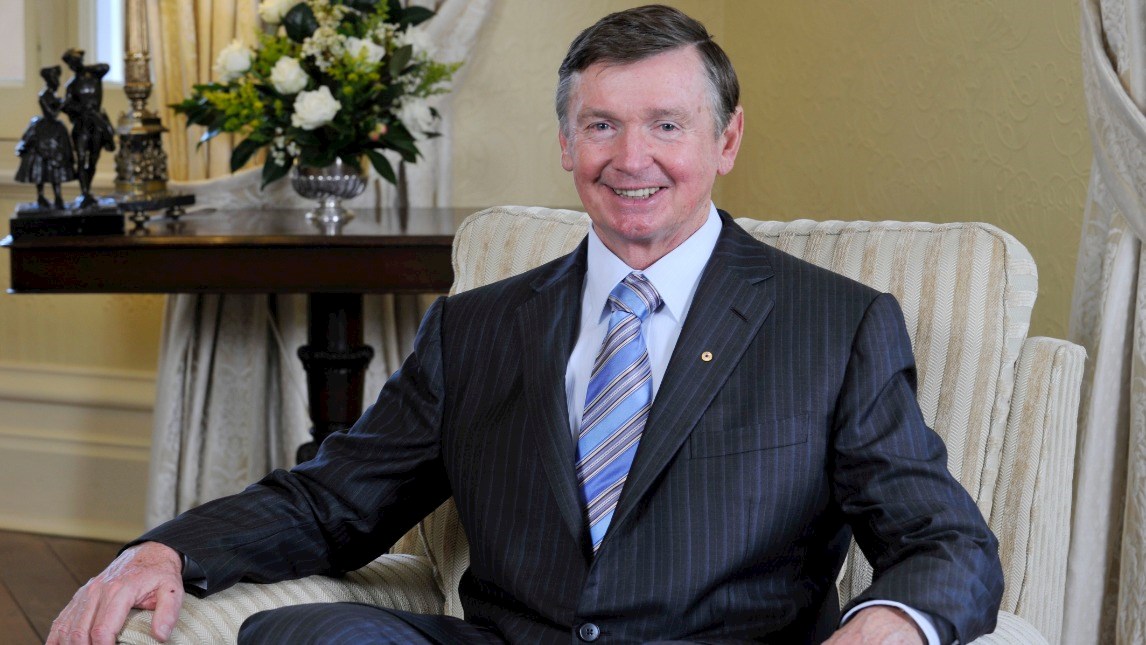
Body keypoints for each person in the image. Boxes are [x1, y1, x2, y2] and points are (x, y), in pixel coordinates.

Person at [49, 6, 1002, 644]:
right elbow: (333, 500)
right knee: (301, 633)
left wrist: (886, 624)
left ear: (727, 139)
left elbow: (946, 541)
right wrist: (164, 550)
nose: (632, 158)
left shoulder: (835, 325)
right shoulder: (479, 327)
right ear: (565, 143)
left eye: (667, 124)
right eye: (601, 125)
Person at [60, 48, 116, 209]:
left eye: (76, 61)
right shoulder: (72, 85)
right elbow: (66, 106)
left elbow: (105, 67)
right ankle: (84, 191)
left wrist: (84, 69)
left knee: (93, 158)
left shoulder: (94, 75)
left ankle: (87, 188)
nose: (74, 65)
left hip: (96, 122)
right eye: (72, 63)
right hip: (82, 124)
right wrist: (78, 109)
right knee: (81, 157)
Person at [15, 65, 76, 210]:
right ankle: (41, 196)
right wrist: (62, 104)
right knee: (41, 166)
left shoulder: (52, 95)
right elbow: (52, 114)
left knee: (56, 168)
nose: (57, 82)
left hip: (54, 130)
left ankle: (58, 197)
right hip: (45, 130)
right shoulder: (43, 95)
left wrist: (64, 104)